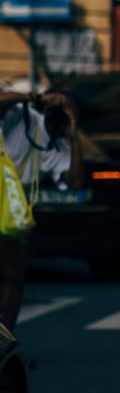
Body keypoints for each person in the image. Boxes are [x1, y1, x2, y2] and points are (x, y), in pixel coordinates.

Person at [0, 93, 82, 331]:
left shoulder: (58, 147)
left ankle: (5, 345)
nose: (62, 121)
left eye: (69, 117)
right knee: (13, 274)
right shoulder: (23, 117)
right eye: (61, 114)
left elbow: (75, 181)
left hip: (7, 214)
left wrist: (74, 138)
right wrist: (35, 97)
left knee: (14, 276)